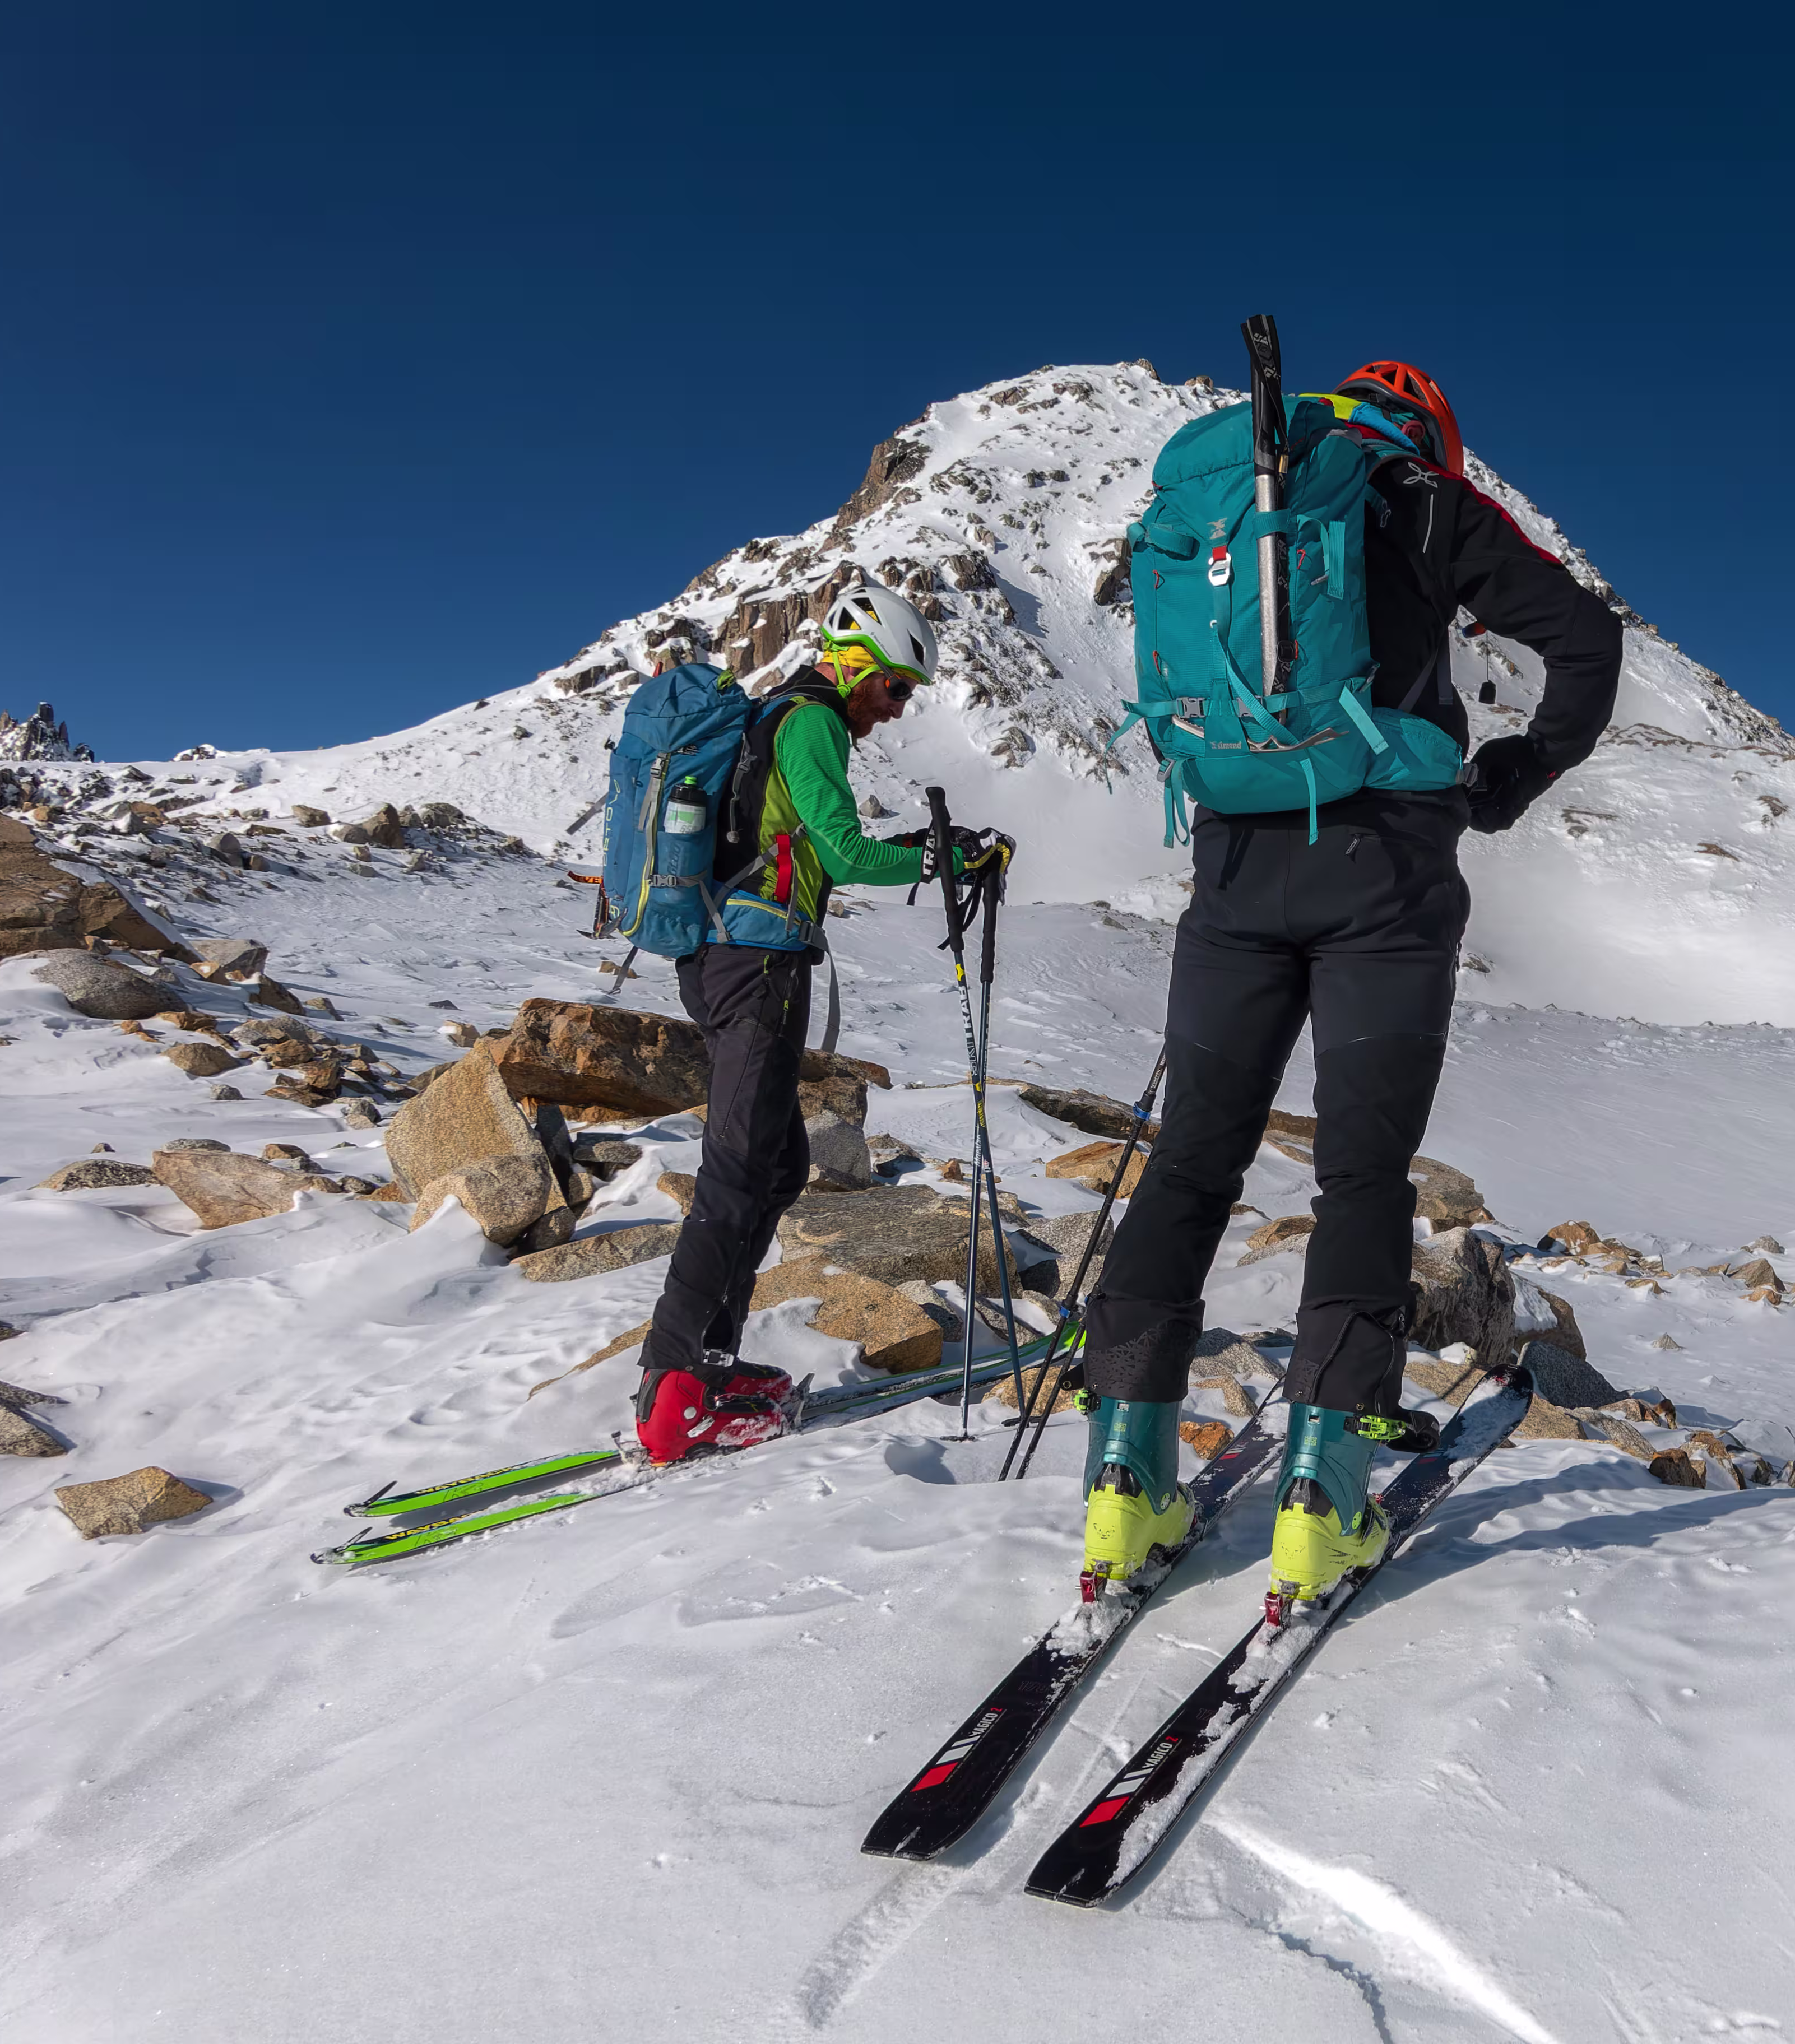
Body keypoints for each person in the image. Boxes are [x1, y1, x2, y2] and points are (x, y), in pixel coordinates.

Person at [1075, 359, 1622, 1613]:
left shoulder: (1216, 503)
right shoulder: (1417, 497)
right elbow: (1585, 641)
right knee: (1360, 1177)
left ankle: (1124, 1479)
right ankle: (1322, 1502)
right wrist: (1515, 775)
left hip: (1233, 869)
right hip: (1385, 870)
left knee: (1191, 1164)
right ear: (1430, 436)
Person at [631, 584, 1003, 1463]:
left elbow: (815, 847)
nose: (897, 707)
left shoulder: (786, 718)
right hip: (755, 964)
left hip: (740, 959)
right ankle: (673, 1392)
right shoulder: (812, 722)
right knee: (737, 1171)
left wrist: (935, 851)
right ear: (857, 665)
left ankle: (708, 1366)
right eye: (897, 686)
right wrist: (943, 858)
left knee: (773, 1166)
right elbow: (845, 850)